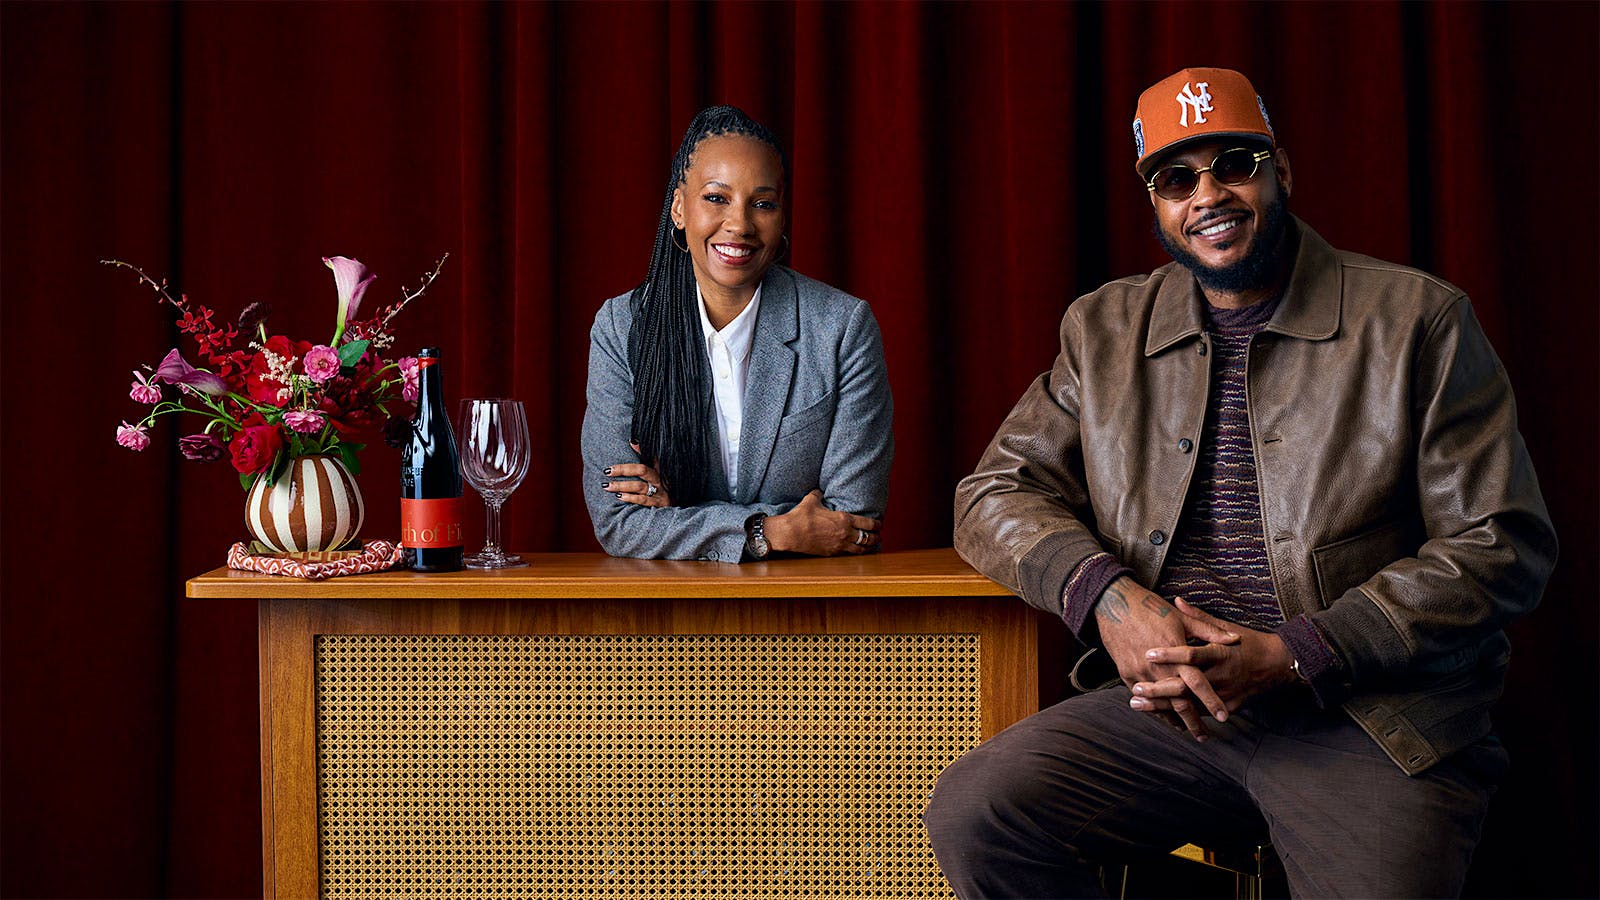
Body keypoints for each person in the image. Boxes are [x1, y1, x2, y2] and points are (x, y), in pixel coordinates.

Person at [925, 67, 1557, 898]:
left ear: (1279, 171)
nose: (1208, 196)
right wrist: (1110, 599)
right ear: (1156, 205)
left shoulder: (1416, 319)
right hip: (1177, 714)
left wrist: (1298, 652)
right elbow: (993, 493)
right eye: (1176, 179)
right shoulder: (1104, 329)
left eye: (1234, 164)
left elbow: (1500, 544)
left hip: (1370, 719)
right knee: (978, 811)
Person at [581, 106, 892, 562]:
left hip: (810, 602)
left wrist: (679, 519)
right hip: (670, 604)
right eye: (716, 198)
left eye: (763, 204)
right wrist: (772, 531)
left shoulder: (842, 328)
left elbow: (850, 523)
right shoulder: (622, 328)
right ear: (679, 208)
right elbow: (618, 523)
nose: (740, 224)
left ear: (782, 217)